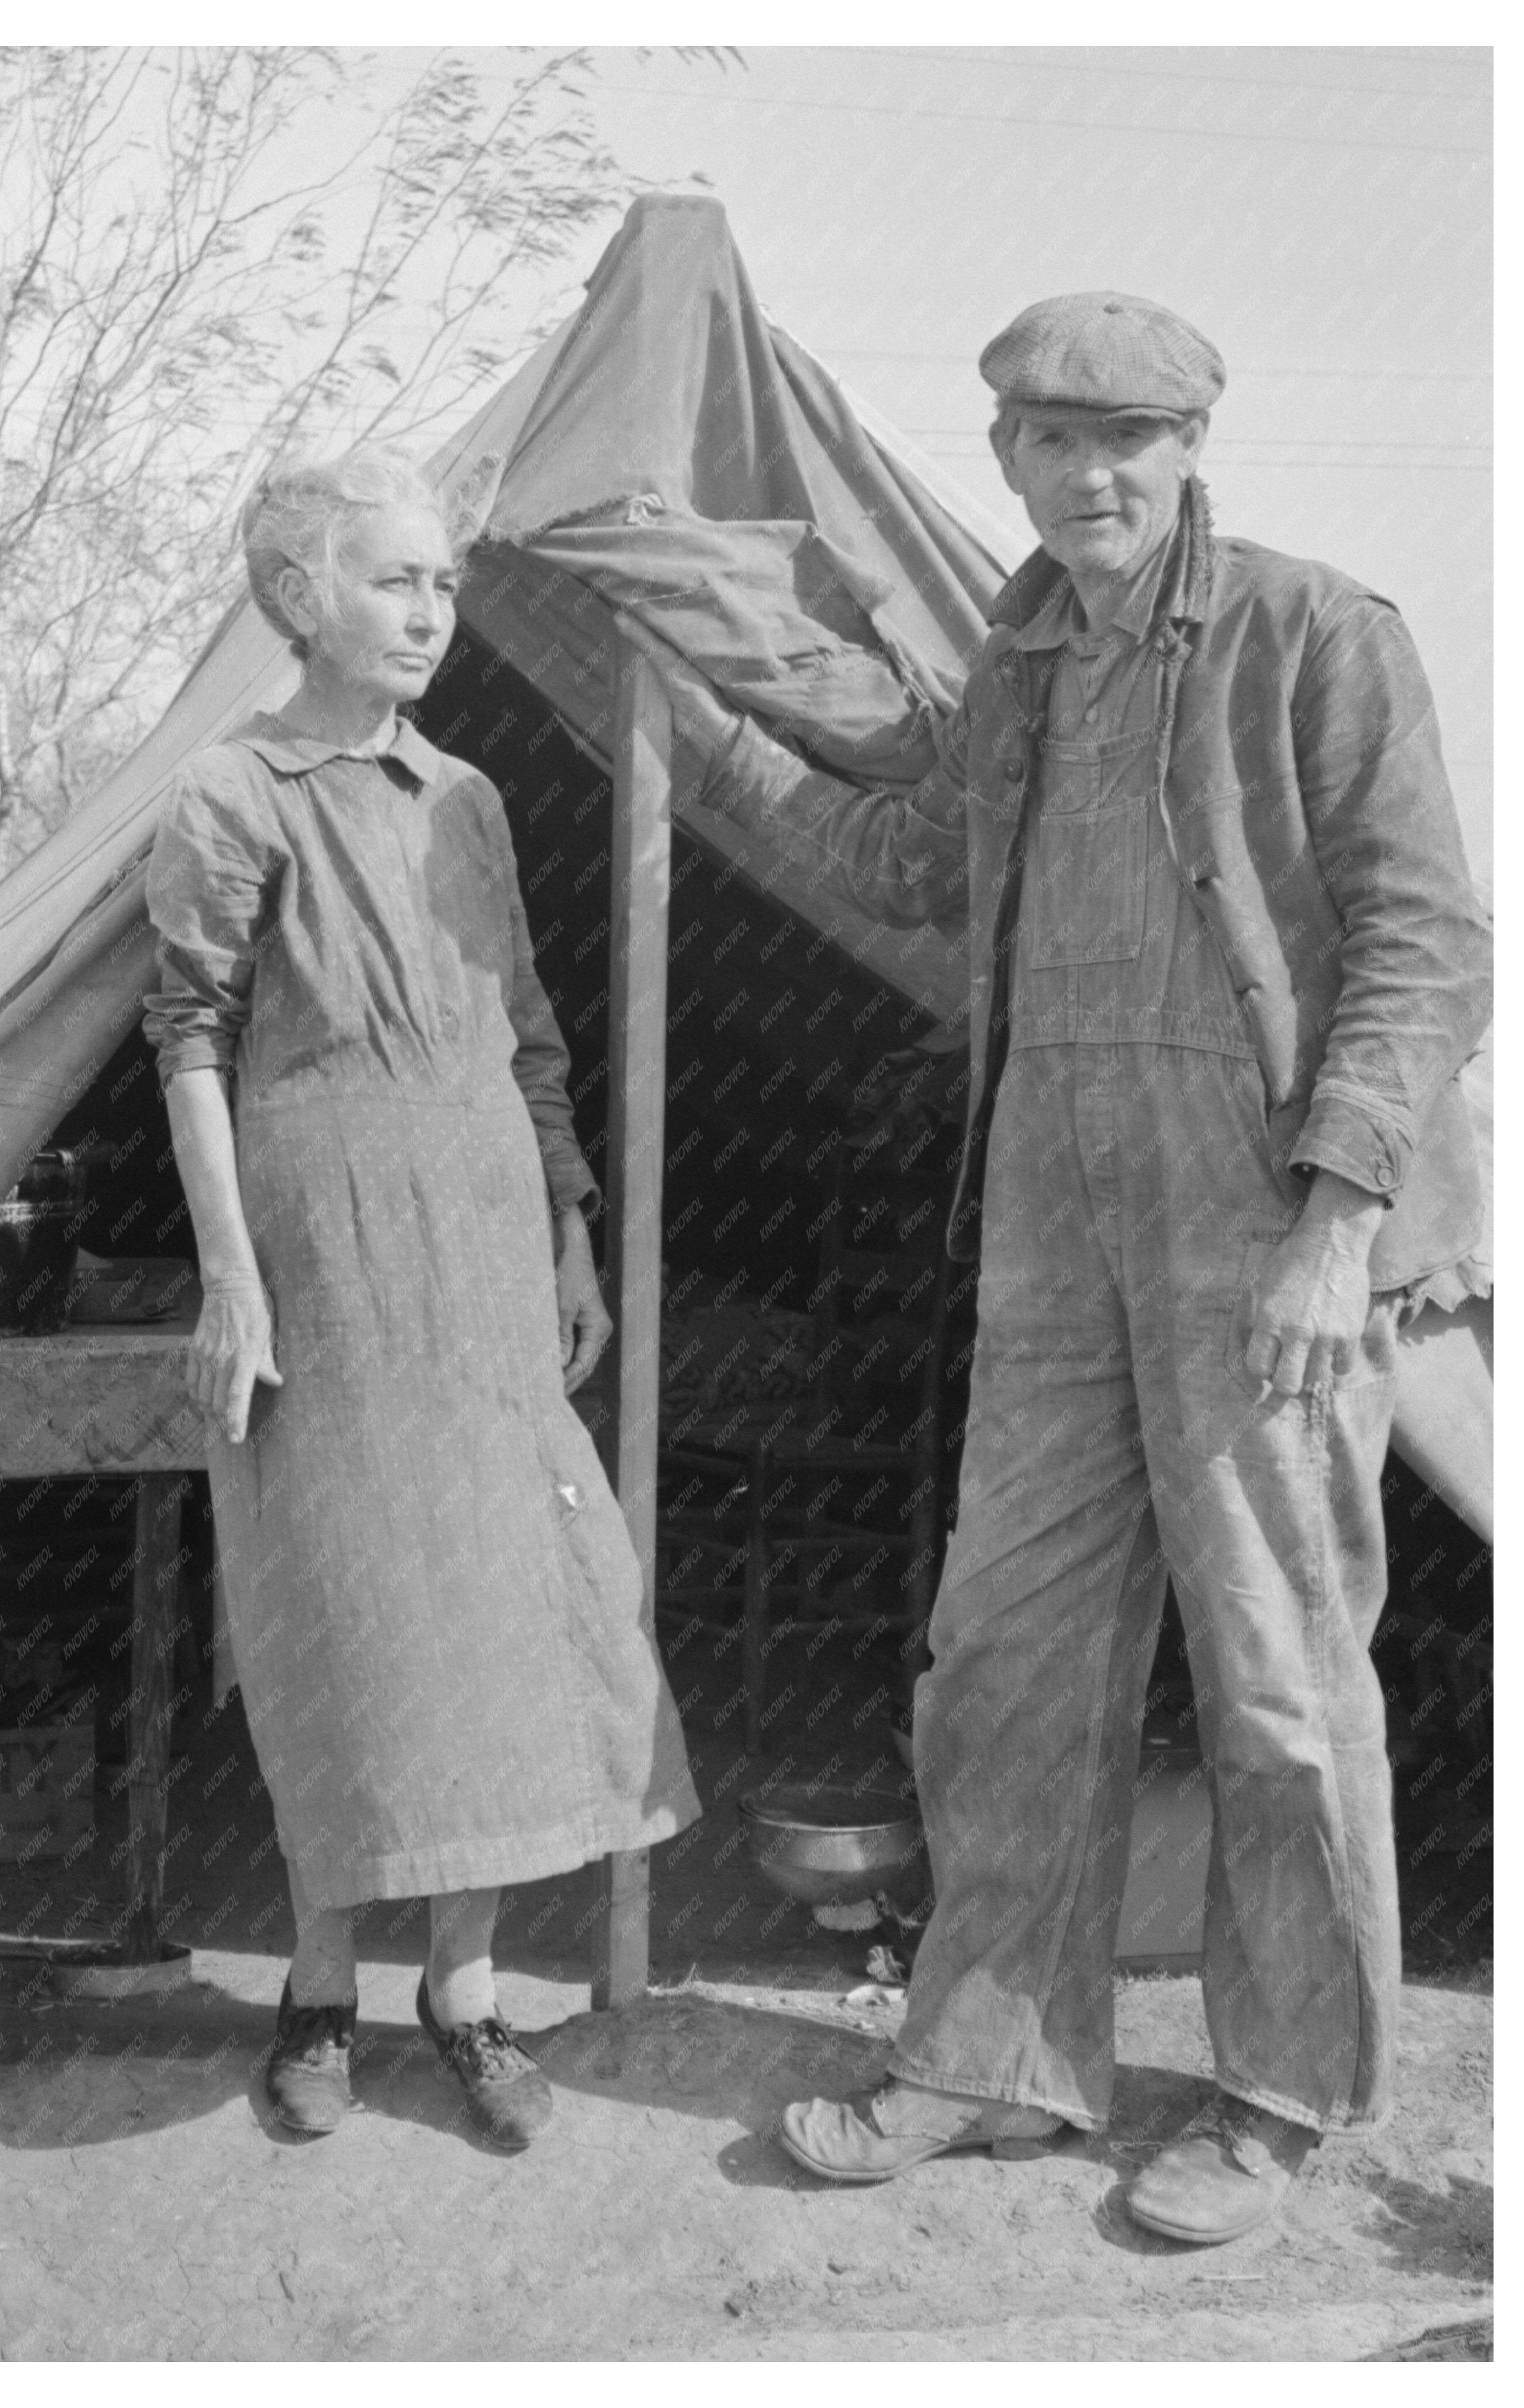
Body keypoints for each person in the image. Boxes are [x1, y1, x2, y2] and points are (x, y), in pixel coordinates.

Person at [654, 293, 1490, 2242]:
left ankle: (1282, 2095)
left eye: (1132, 440)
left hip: (1265, 1209)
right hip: (1050, 1212)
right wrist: (691, 735)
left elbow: (1427, 941)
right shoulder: (1021, 665)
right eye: (1053, 440)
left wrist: (1340, 1218)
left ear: (1193, 446)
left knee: (1279, 1674)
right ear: (1008, 458)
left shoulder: (1315, 631)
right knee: (1005, 1654)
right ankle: (995, 2058)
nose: (1092, 475)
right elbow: (905, 861)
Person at [144, 446, 699, 2144]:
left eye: (445, 585)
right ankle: (320, 1991)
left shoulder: (470, 796)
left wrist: (573, 1236)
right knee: (340, 1604)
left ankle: (465, 1993)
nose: (431, 611)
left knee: (507, 1611)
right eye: (398, 580)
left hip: (481, 1233)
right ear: (303, 596)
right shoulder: (230, 794)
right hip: (321, 1232)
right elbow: (190, 1042)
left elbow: (529, 1038)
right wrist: (235, 1278)